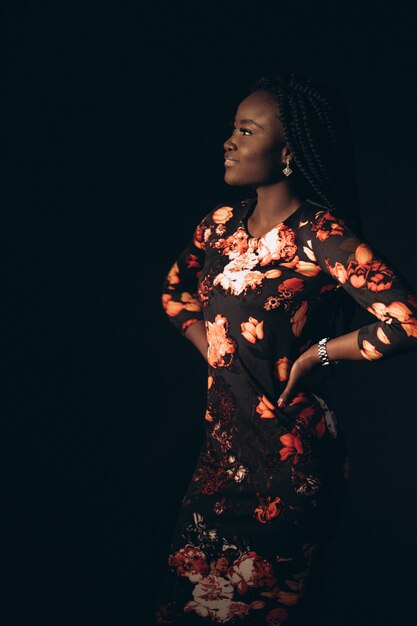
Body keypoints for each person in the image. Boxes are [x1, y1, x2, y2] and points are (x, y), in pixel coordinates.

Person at [155, 72, 417, 625]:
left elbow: (406, 322)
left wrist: (317, 354)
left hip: (289, 473)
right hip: (218, 466)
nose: (230, 141)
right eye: (232, 129)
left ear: (288, 151)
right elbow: (174, 295)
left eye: (246, 132)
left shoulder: (321, 234)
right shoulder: (218, 227)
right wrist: (215, 349)